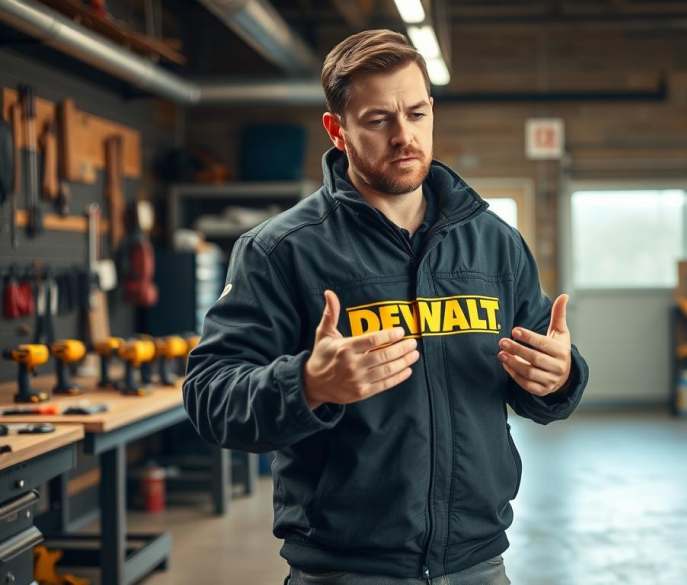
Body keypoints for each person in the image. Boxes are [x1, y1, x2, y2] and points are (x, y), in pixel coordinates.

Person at [182, 29, 589, 585]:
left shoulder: (494, 243)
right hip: (344, 571)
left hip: (478, 565)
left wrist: (559, 376)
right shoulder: (281, 251)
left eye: (417, 113)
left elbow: (540, 374)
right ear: (337, 129)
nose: (404, 136)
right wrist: (307, 384)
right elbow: (209, 395)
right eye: (378, 120)